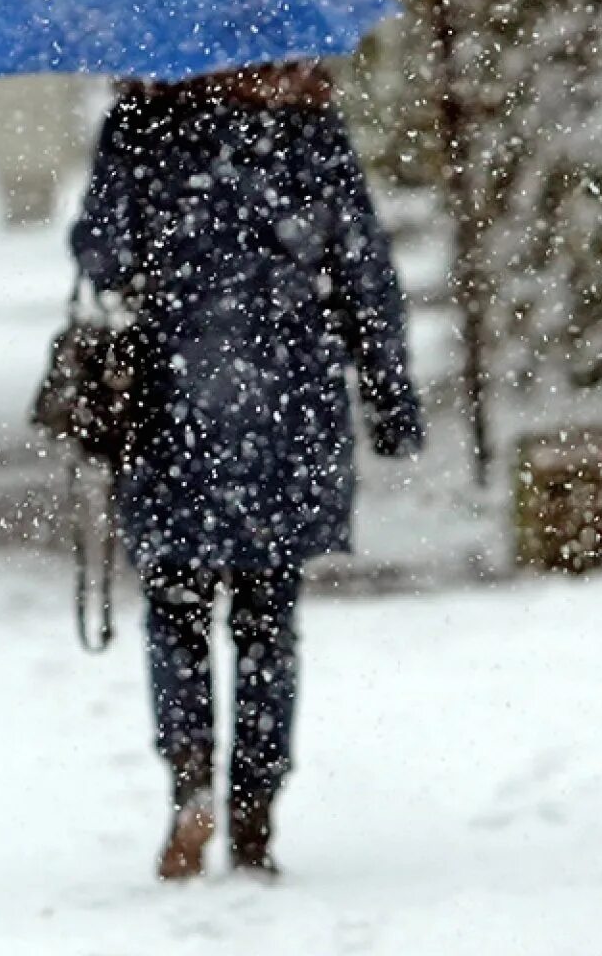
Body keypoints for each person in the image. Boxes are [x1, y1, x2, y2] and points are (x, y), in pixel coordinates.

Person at [70, 63, 423, 880]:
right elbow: (365, 271)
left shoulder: (141, 124)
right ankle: (256, 802)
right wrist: (389, 397)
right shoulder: (308, 127)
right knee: (269, 617)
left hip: (174, 401)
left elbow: (102, 252)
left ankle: (191, 777)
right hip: (287, 404)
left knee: (177, 609)